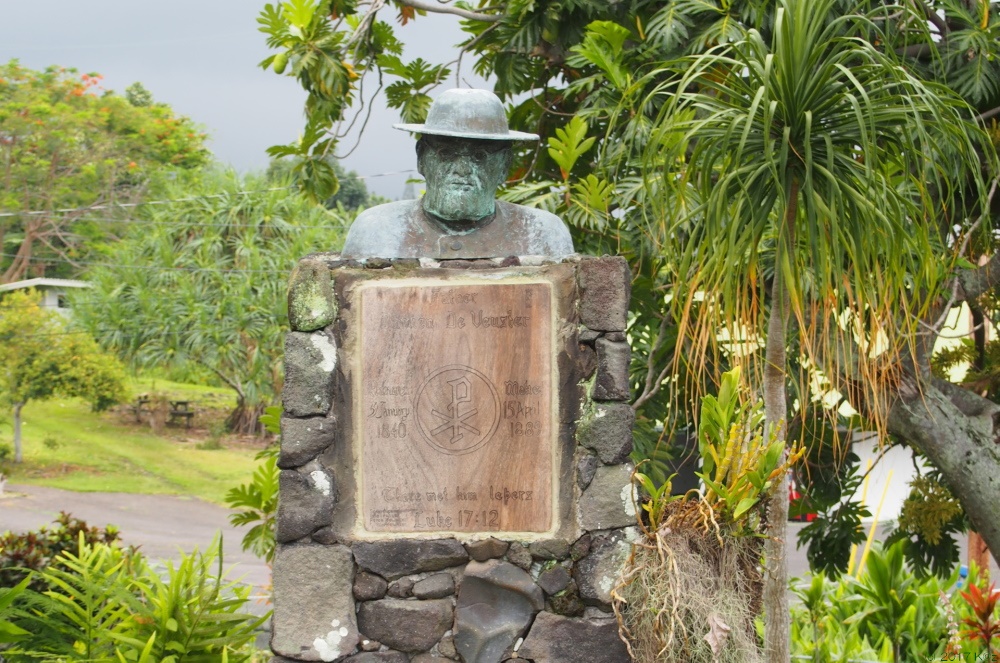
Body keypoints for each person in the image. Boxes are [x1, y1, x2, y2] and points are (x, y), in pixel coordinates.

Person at [340, 89, 574, 259]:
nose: (462, 170)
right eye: (446, 154)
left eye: (479, 156)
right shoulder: (375, 231)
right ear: (421, 158)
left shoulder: (543, 234)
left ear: (504, 166)